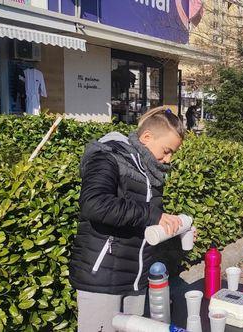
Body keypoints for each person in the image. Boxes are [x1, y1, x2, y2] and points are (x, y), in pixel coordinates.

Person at [69, 107, 186, 332]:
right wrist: (153, 215)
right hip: (102, 280)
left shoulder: (150, 171)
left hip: (135, 279)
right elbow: (95, 204)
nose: (169, 159)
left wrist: (174, 231)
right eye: (167, 150)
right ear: (147, 137)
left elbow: (143, 222)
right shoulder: (108, 156)